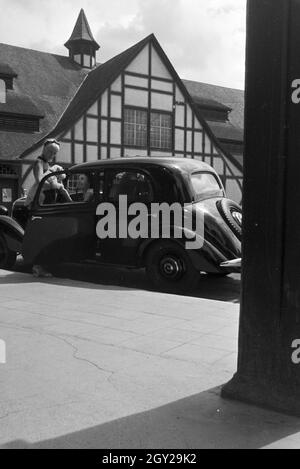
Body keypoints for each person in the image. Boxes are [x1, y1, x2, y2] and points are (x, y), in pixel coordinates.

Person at [25, 139, 64, 278]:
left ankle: (42, 265)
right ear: (44, 150)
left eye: (54, 153)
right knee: (41, 236)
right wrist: (56, 185)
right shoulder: (39, 163)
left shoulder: (48, 164)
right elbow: (40, 181)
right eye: (50, 151)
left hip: (47, 202)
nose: (52, 155)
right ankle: (37, 266)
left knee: (46, 235)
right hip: (40, 202)